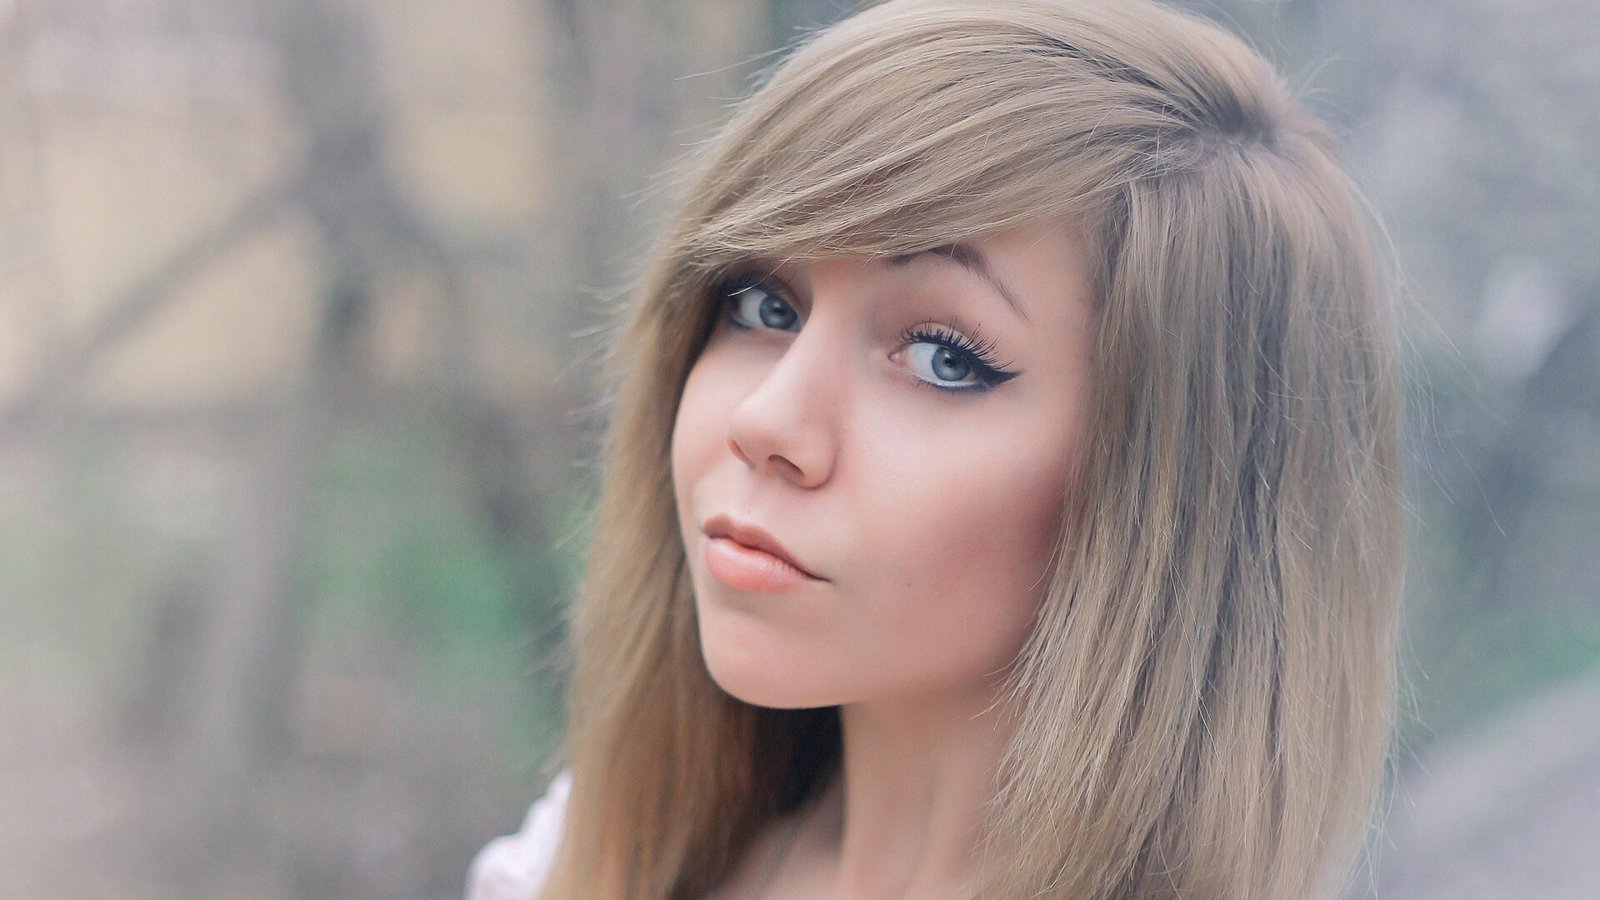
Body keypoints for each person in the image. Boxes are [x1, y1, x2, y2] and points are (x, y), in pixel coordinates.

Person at [469, 0, 1405, 896]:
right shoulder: (576, 864)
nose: (766, 421)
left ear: (1176, 492)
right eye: (763, 305)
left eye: (941, 358)